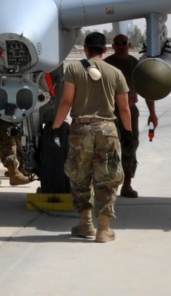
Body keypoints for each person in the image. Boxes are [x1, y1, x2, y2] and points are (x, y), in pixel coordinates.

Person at [53, 31, 132, 243]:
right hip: (107, 130)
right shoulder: (115, 72)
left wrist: (56, 126)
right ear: (106, 50)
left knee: (80, 177)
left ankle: (85, 224)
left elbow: (66, 101)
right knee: (107, 178)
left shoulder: (74, 69)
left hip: (81, 129)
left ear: (85, 49)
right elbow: (124, 108)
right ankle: (103, 229)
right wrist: (128, 131)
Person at [104, 33, 158, 197]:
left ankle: (127, 185)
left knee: (130, 147)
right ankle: (108, 185)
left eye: (124, 43)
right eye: (117, 43)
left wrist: (152, 114)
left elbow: (147, 90)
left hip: (130, 113)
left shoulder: (136, 65)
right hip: (109, 113)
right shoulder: (106, 65)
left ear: (129, 44)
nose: (121, 46)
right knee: (107, 148)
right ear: (113, 46)